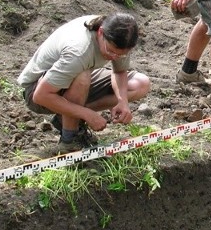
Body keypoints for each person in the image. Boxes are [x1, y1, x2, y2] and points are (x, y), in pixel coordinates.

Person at [18, 13, 151, 153]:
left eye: (120, 55)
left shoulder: (123, 36)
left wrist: (122, 101)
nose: (114, 57)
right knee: (82, 75)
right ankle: (69, 140)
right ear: (101, 32)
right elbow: (40, 96)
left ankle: (66, 116)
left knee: (140, 84)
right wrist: (87, 114)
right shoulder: (79, 51)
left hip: (69, 79)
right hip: (38, 91)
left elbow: (119, 72)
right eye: (111, 51)